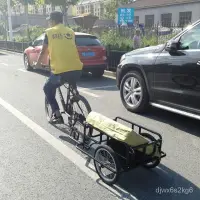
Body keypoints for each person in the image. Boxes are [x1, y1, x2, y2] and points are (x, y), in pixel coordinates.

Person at [35, 11, 83, 124]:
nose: (48, 23)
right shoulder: (71, 32)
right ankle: (75, 95)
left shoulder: (50, 32)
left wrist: (37, 64)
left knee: (47, 88)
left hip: (60, 71)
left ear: (53, 21)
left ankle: (57, 115)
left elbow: (43, 52)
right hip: (77, 69)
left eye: (49, 21)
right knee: (71, 80)